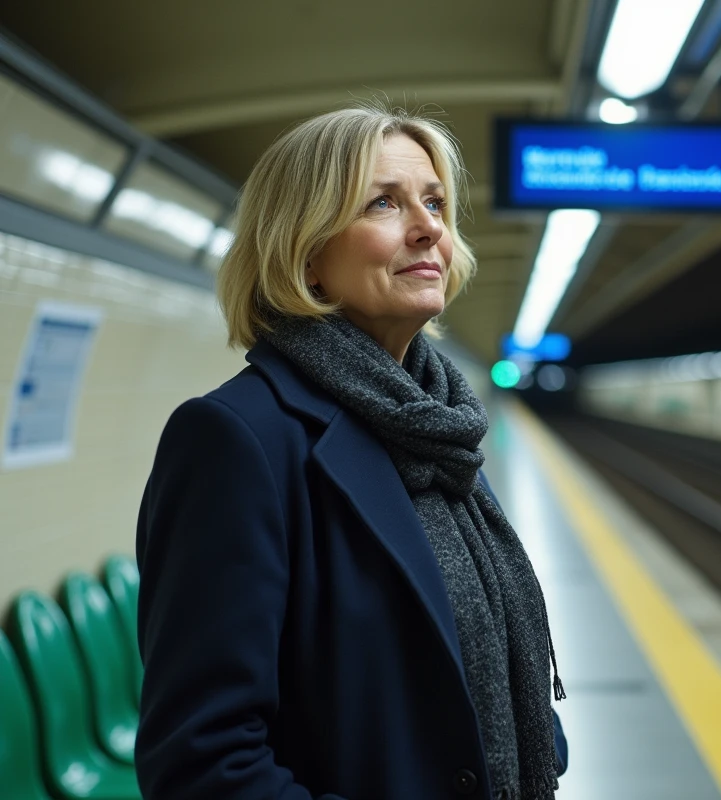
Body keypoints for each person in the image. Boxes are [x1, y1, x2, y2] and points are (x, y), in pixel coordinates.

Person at [135, 104, 567, 800]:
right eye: (384, 204)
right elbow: (203, 761)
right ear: (306, 253)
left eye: (434, 202)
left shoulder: (439, 425)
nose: (430, 227)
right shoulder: (236, 439)